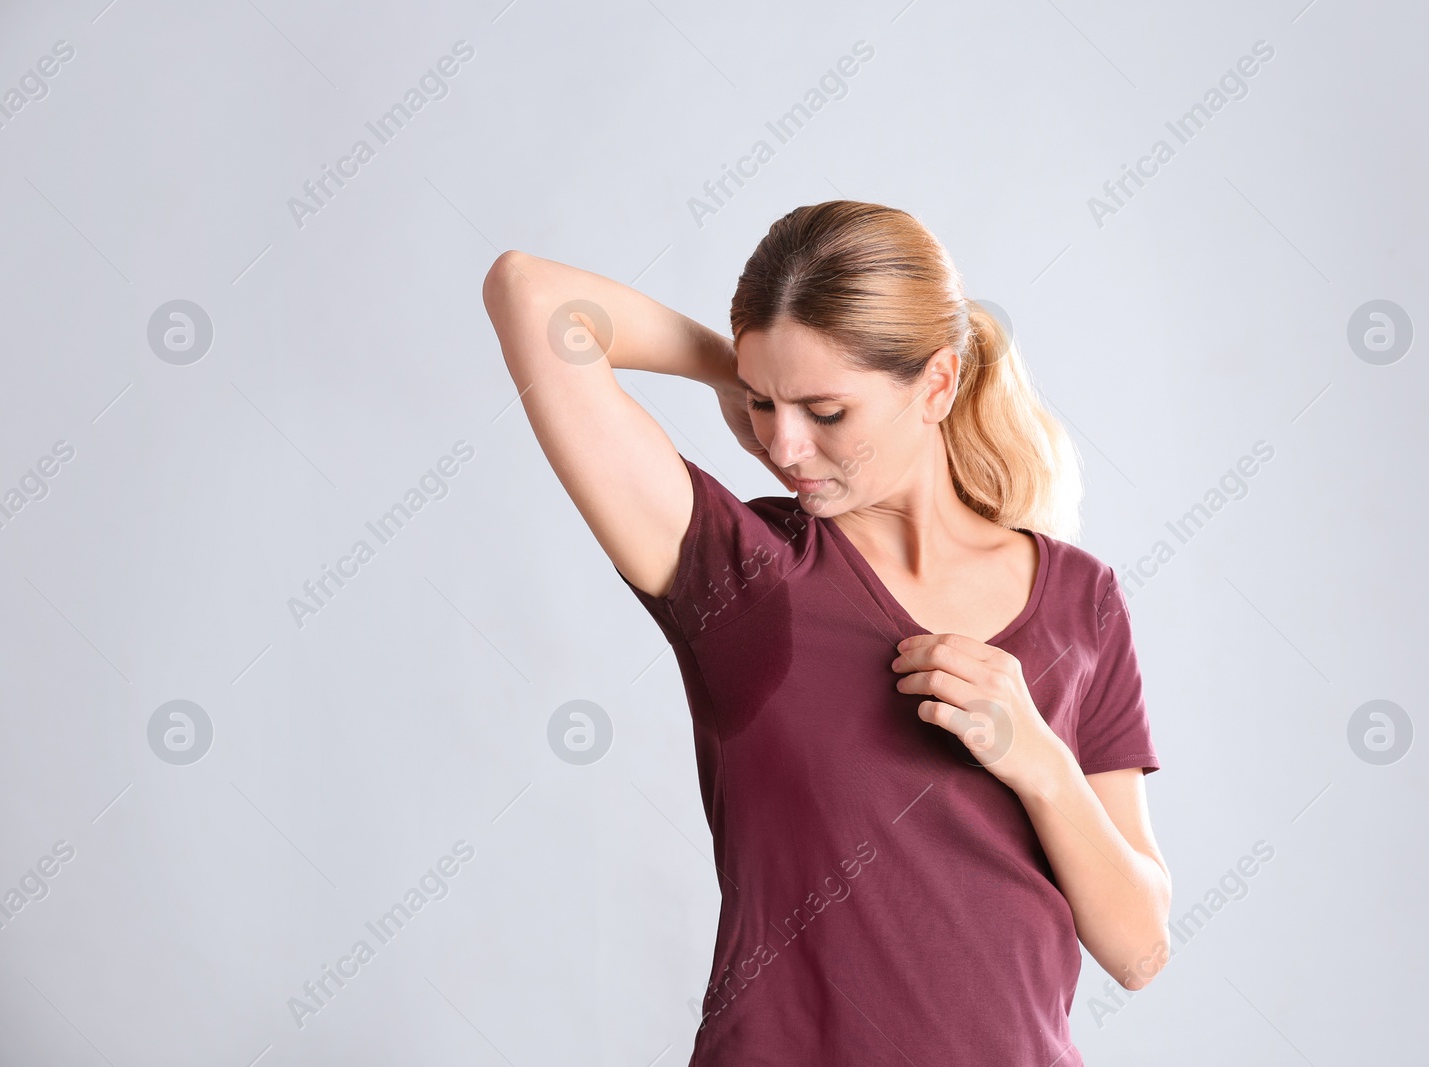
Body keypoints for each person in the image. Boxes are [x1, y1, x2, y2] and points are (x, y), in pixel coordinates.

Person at [482, 200, 1170, 1066]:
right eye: (765, 405)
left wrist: (1038, 761)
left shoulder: (1082, 599)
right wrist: (726, 369)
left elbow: (1139, 948)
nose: (784, 446)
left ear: (939, 384)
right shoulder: (742, 576)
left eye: (826, 411)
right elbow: (528, 294)